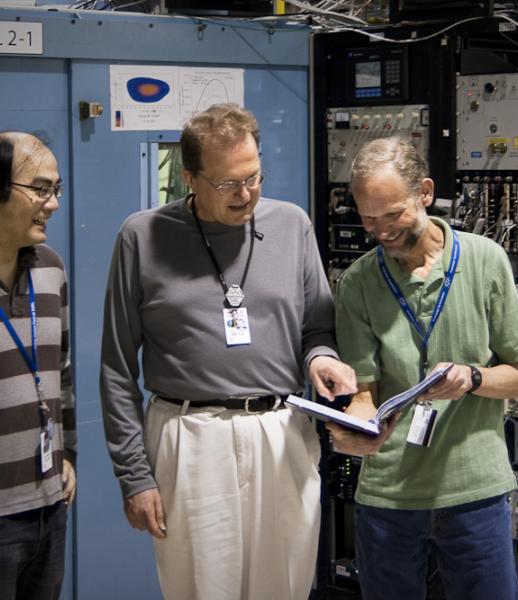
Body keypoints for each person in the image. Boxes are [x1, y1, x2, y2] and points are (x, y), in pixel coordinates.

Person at [100, 103, 356, 600]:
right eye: (227, 185)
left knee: (284, 587)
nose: (245, 195)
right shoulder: (142, 235)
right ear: (189, 177)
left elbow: (317, 330)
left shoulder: (292, 225)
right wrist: (134, 475)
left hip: (280, 431)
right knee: (202, 589)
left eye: (254, 178)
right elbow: (115, 367)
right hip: (190, 434)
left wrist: (320, 360)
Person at [330, 137, 518, 600]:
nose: (381, 231)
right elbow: (364, 392)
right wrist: (354, 426)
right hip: (389, 495)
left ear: (425, 191)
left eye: (393, 214)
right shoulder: (359, 282)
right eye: (368, 218)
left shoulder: (485, 260)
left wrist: (474, 377)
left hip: (475, 490)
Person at [0, 131, 76, 600]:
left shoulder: (51, 267)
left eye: (56, 190)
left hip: (48, 505)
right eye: (41, 189)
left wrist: (69, 455)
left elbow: (61, 372)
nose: (52, 204)